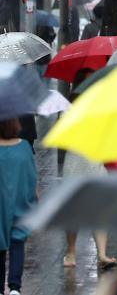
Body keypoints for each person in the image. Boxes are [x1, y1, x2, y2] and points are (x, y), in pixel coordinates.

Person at [62, 68, 117, 268]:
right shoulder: (69, 107)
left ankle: (102, 253)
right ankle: (71, 252)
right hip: (75, 162)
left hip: (96, 161)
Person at [0, 118, 38, 295]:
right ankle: (15, 287)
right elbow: (31, 176)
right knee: (17, 243)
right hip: (19, 201)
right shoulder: (24, 147)